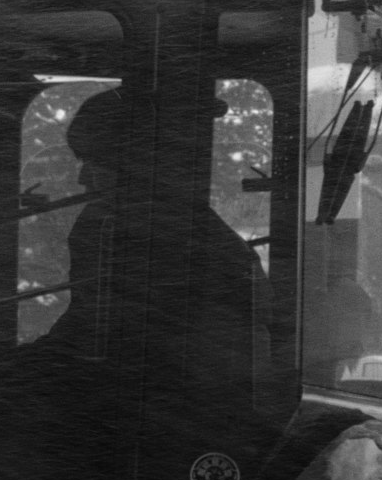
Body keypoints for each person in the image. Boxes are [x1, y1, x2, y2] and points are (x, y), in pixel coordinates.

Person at [54, 87, 264, 398]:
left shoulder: (179, 238)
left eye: (96, 162)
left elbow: (125, 347)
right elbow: (86, 323)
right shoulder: (103, 224)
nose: (82, 179)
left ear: (137, 164)